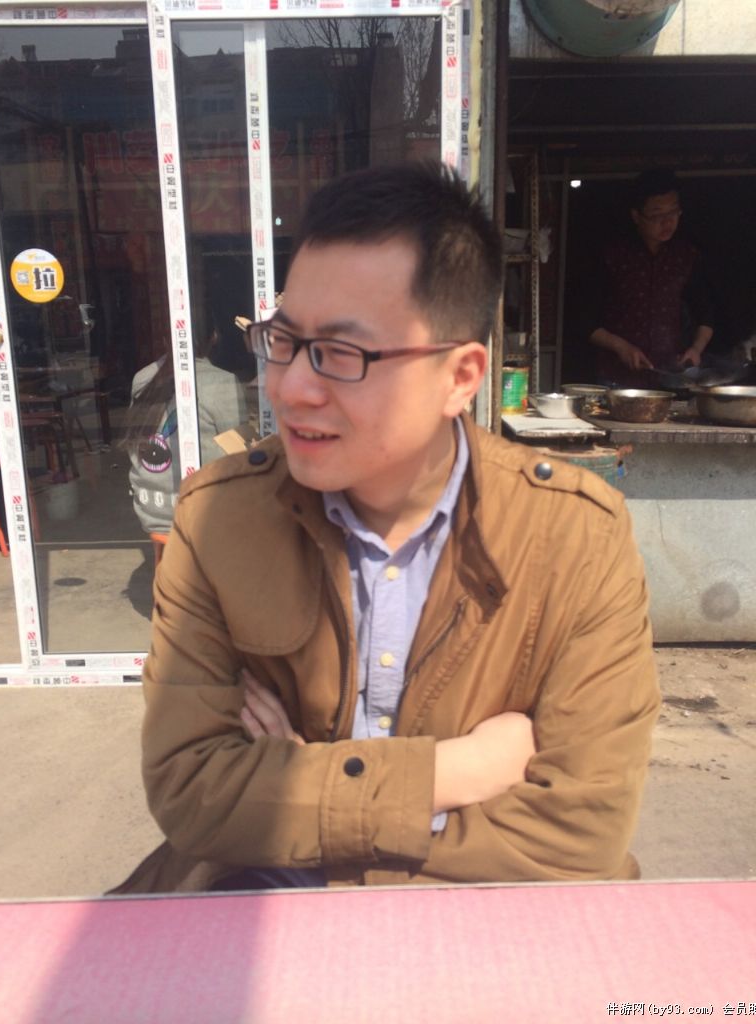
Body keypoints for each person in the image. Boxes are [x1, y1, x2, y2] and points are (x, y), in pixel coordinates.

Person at [114, 162, 659, 895]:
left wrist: (299, 784)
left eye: (343, 354)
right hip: (258, 902)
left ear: (460, 377)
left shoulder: (576, 536)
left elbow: (580, 831)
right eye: (284, 340)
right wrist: (452, 773)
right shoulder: (217, 518)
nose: (290, 388)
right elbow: (192, 794)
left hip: (493, 923)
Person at [589, 169, 714, 387]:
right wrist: (621, 347)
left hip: (670, 377)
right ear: (636, 216)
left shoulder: (686, 256)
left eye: (673, 213)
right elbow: (585, 319)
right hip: (615, 378)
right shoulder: (613, 255)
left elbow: (706, 313)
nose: (667, 222)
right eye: (657, 216)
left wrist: (695, 349)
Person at [125, 326, 248, 536]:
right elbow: (239, 452)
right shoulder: (220, 381)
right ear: (214, 337)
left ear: (165, 340)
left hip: (151, 511)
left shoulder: (141, 377)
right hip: (201, 517)